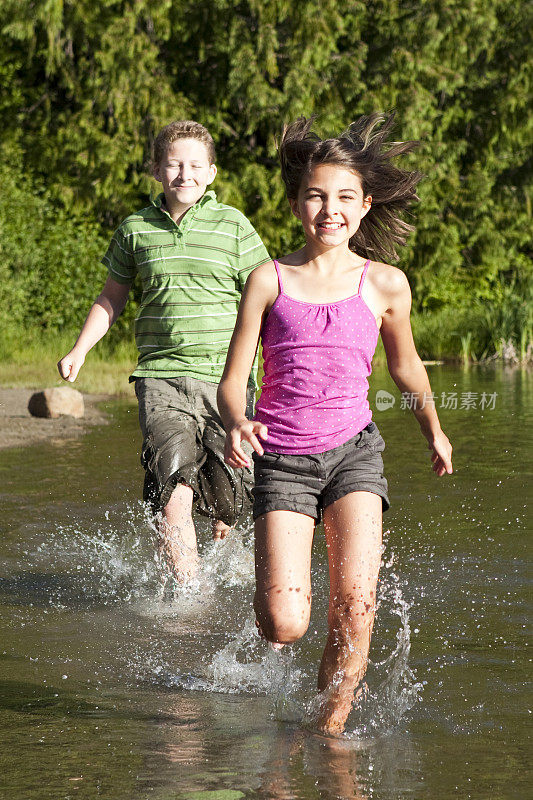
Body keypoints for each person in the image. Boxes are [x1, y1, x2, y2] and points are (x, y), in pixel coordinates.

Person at [217, 114, 453, 735]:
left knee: (355, 605)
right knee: (285, 623)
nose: (330, 209)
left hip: (355, 454)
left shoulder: (386, 285)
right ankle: (275, 602)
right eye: (317, 195)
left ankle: (328, 735)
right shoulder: (269, 280)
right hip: (282, 458)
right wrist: (238, 420)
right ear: (297, 202)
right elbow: (232, 379)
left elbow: (406, 371)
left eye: (345, 197)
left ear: (365, 204)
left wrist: (433, 428)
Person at [58, 120, 270, 583]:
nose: (184, 174)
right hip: (160, 377)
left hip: (226, 382)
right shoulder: (135, 229)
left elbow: (267, 299)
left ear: (212, 172)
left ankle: (223, 564)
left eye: (196, 165)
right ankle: (188, 596)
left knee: (229, 501)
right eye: (174, 164)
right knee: (174, 481)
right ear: (157, 169)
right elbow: (112, 296)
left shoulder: (234, 226)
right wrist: (80, 349)